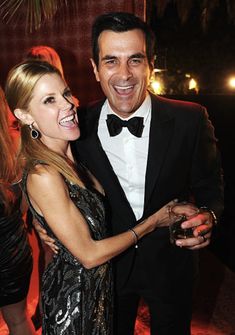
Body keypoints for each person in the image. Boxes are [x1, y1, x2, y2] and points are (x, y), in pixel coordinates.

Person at [4, 59, 189, 334]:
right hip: (75, 303)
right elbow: (89, 255)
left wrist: (45, 221)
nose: (67, 104)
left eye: (65, 93)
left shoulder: (76, 153)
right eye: (49, 100)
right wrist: (152, 222)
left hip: (100, 291)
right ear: (24, 115)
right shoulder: (44, 174)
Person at [71, 12, 223, 335]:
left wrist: (210, 215)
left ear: (151, 65)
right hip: (107, 268)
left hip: (172, 265)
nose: (123, 74)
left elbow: (212, 188)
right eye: (111, 61)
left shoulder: (190, 120)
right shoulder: (76, 127)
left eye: (135, 60)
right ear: (95, 68)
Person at [0, 87, 35, 335]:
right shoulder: (16, 145)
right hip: (14, 250)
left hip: (12, 249)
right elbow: (23, 206)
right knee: (18, 320)